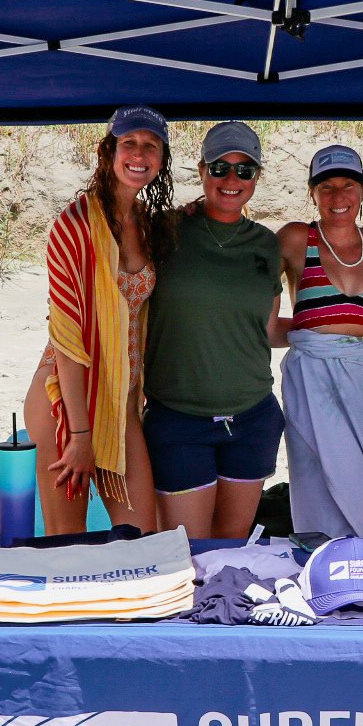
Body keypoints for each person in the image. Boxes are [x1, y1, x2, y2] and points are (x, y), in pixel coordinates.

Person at [24, 105, 174, 534]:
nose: (138, 154)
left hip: (122, 404)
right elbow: (68, 341)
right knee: (67, 545)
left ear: (161, 159)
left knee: (142, 541)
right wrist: (81, 435)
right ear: (108, 151)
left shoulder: (147, 224)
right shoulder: (73, 227)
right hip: (66, 403)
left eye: (150, 146)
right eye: (128, 143)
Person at [143, 121, 286, 540]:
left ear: (257, 178)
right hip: (179, 420)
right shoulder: (163, 229)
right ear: (202, 170)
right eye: (220, 167)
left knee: (232, 556)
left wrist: (337, 332)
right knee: (189, 557)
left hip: (253, 419)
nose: (231, 179)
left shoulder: (266, 244)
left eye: (245, 171)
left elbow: (269, 327)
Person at [278, 145, 363, 540]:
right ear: (312, 193)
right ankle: (319, 565)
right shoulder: (296, 238)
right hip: (312, 378)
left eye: (348, 185)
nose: (337, 197)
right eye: (325, 187)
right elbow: (252, 296)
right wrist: (311, 339)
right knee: (316, 477)